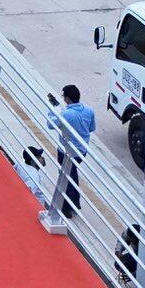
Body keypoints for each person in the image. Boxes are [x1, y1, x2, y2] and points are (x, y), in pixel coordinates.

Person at [53, 83, 95, 217]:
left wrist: (52, 110)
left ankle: (66, 207)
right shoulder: (89, 110)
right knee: (72, 173)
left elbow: (50, 124)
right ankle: (76, 201)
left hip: (66, 151)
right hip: (82, 150)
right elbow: (91, 128)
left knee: (66, 177)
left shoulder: (66, 114)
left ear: (67, 98)